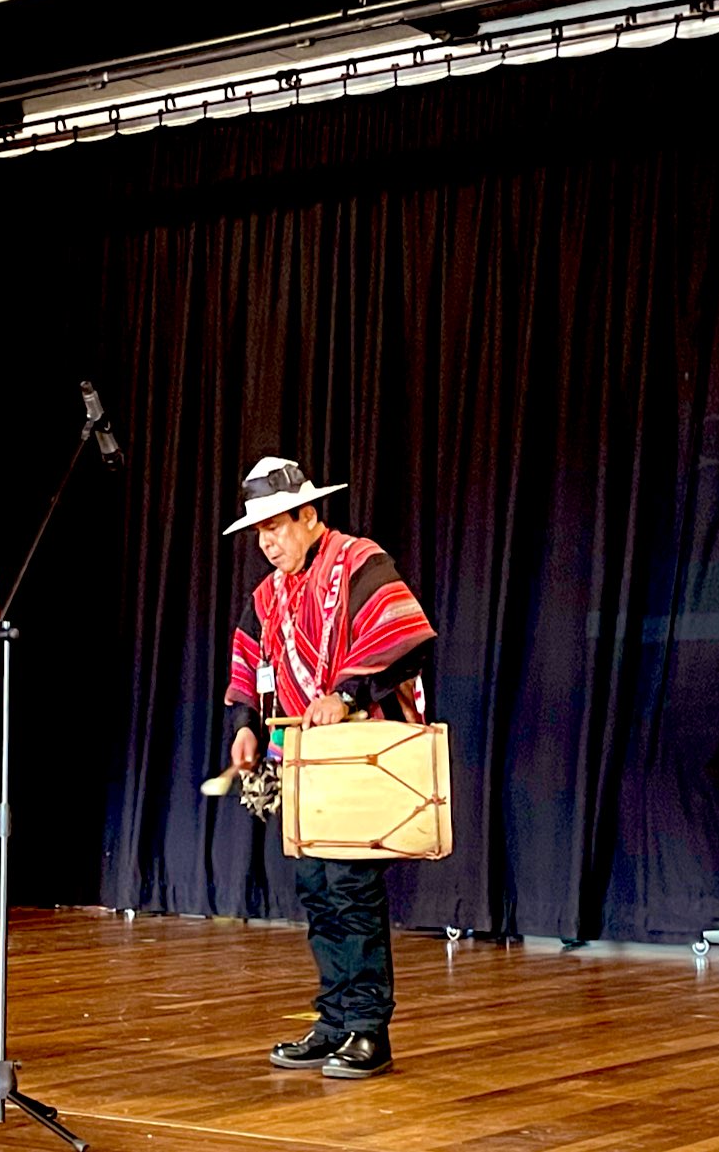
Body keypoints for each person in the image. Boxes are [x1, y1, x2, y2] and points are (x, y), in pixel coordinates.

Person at [221, 456, 436, 1079]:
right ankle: (336, 1017)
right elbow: (249, 670)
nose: (267, 543)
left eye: (277, 527)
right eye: (259, 532)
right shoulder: (268, 594)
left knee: (350, 886)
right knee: (317, 888)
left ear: (310, 516)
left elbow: (404, 637)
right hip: (303, 759)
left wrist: (343, 693)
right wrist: (245, 729)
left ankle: (369, 1026)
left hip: (357, 752)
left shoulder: (360, 562)